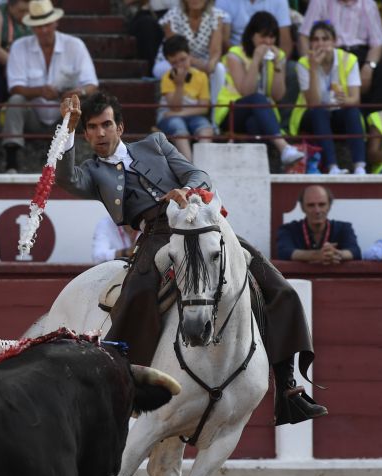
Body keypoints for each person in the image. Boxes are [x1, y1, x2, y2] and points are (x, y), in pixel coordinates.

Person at [57, 91, 327, 425]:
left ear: (120, 127)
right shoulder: (92, 172)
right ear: (85, 134)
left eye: (107, 124)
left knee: (274, 282)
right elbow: (66, 178)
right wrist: (67, 129)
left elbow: (199, 176)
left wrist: (187, 191)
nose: (100, 133)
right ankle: (123, 386)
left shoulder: (155, 143)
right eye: (92, 127)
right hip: (157, 235)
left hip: (198, 221)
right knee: (136, 293)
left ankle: (288, 388)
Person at [2, 0, 98, 173]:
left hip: (65, 116)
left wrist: (78, 92)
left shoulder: (75, 45)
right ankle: (11, 162)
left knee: (84, 104)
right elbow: (15, 87)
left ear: (55, 22)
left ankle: (87, 159)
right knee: (16, 101)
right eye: (39, 26)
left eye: (47, 24)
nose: (44, 30)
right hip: (33, 115)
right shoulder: (19, 46)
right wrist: (40, 91)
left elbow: (91, 85)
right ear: (32, 27)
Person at [215, 10, 304, 168]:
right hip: (231, 112)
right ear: (252, 35)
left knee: (254, 123)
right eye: (263, 36)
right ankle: (283, 147)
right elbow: (246, 92)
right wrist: (256, 60)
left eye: (272, 37)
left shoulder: (279, 56)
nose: (268, 42)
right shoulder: (234, 55)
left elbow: (278, 95)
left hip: (261, 115)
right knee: (257, 98)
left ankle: (264, 169)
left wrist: (277, 65)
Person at [288, 21, 366, 175]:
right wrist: (313, 67)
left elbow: (355, 99)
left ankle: (360, 167)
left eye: (325, 39)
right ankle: (332, 167)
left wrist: (345, 101)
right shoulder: (303, 63)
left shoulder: (349, 59)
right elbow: (313, 103)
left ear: (334, 41)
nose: (320, 44)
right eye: (316, 39)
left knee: (352, 110)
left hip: (338, 112)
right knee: (319, 111)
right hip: (312, 116)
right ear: (311, 43)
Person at [298, 0, 382, 101]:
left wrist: (369, 66)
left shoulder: (368, 4)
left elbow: (378, 43)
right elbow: (304, 35)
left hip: (361, 55)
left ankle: (375, 111)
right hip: (329, 52)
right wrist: (310, 63)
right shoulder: (319, 2)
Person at [157, 34, 213, 161]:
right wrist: (179, 84)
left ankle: (202, 164)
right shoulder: (167, 78)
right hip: (169, 116)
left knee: (205, 128)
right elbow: (174, 107)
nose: (180, 65)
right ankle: (189, 165)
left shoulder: (201, 77)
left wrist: (179, 113)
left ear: (190, 55)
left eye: (183, 59)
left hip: (192, 115)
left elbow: (204, 108)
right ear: (169, 62)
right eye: (174, 63)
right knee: (178, 126)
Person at [275, 185, 361, 263]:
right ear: (302, 207)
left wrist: (336, 253)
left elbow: (355, 252)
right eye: (311, 205)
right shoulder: (288, 230)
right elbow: (283, 252)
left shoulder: (344, 228)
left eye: (322, 204)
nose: (317, 210)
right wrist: (316, 255)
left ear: (329, 206)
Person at [217, 0, 292, 53]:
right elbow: (224, 41)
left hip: (270, 56)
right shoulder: (224, 1)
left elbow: (285, 43)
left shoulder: (280, 1)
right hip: (236, 55)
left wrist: (279, 63)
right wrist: (240, 59)